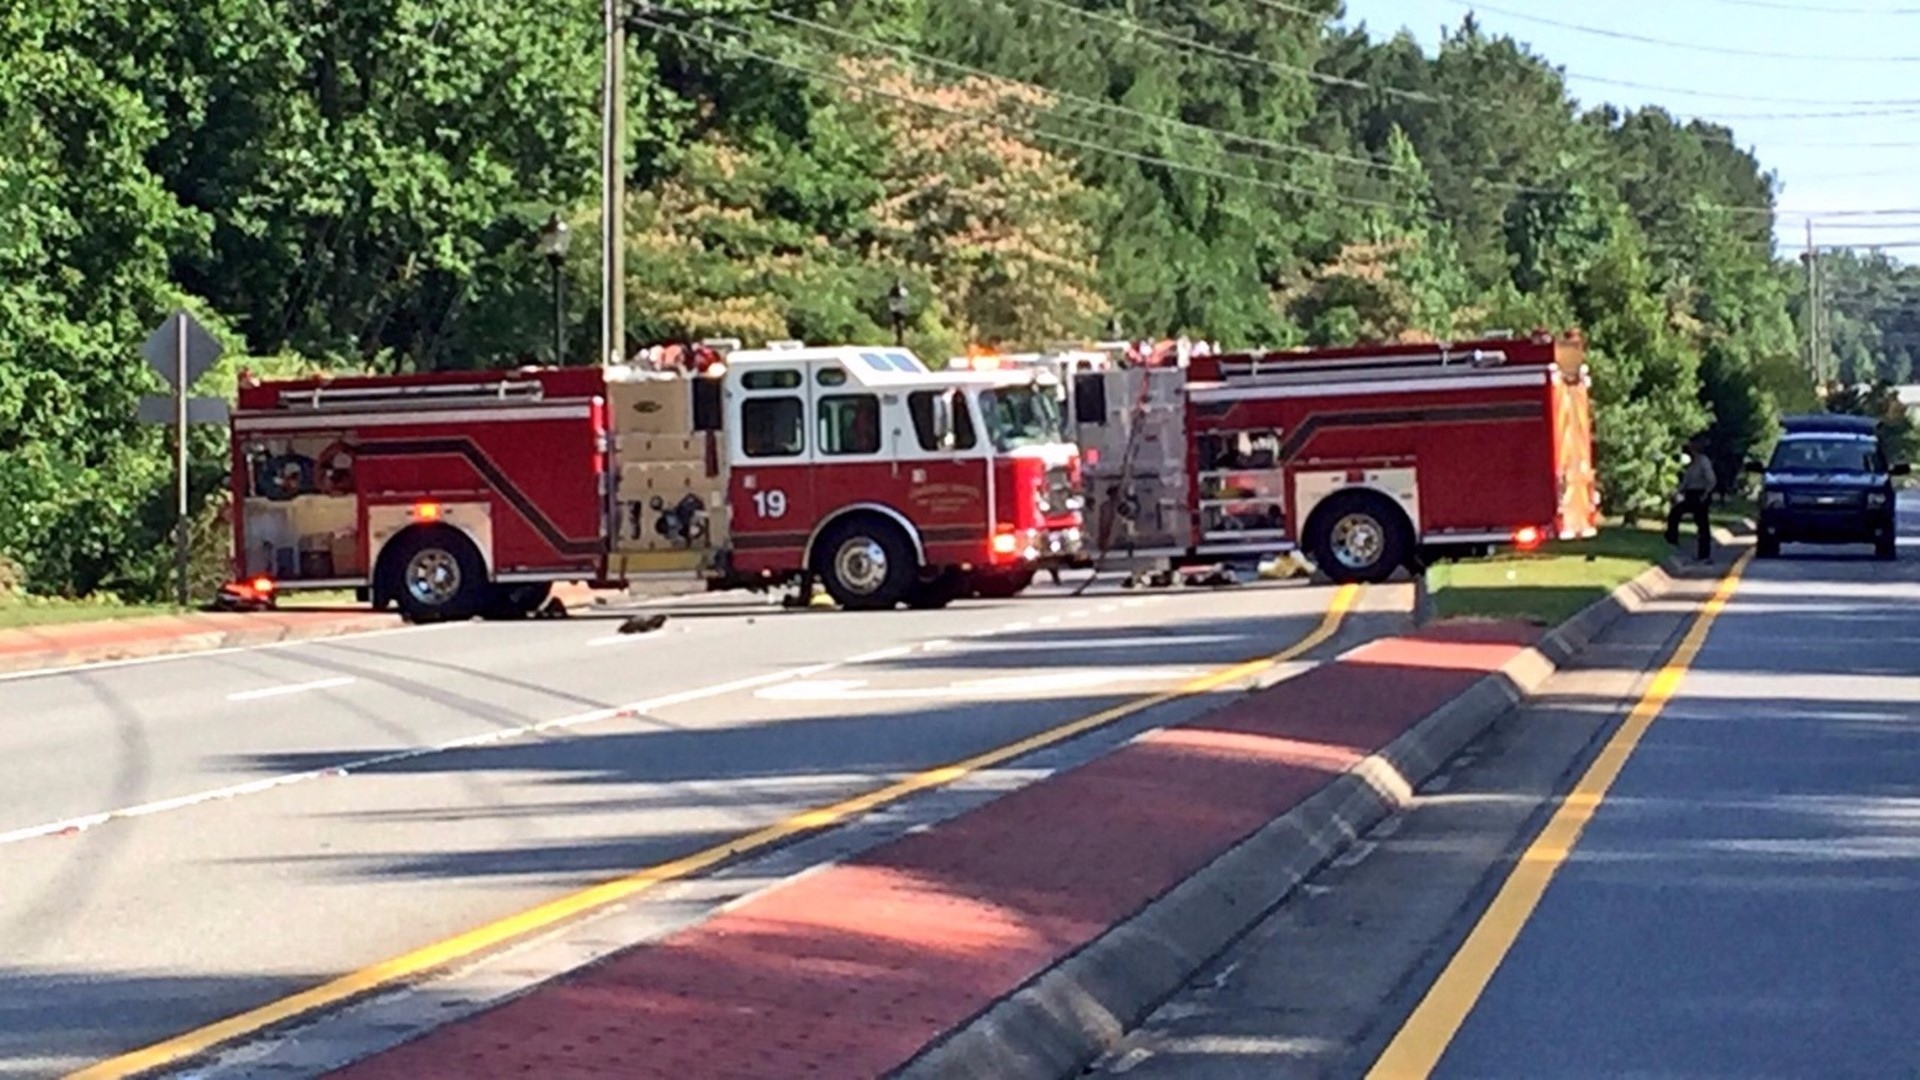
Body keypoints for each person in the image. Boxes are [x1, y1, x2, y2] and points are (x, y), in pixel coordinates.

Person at [1665, 437, 1717, 561]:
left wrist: (1705, 494)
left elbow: (1711, 480)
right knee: (1675, 513)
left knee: (1702, 523)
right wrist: (1677, 492)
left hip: (1701, 494)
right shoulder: (1691, 464)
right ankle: (1672, 540)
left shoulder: (1703, 461)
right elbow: (1686, 482)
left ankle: (1704, 553)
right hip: (1691, 494)